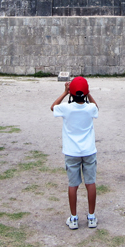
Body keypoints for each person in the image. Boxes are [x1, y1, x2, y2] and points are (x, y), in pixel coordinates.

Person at [51, 76, 99, 230]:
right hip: (89, 151)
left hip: (72, 152)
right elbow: (96, 107)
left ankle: (73, 218)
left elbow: (53, 107)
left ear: (71, 93)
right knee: (90, 183)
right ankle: (91, 217)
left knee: (73, 185)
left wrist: (65, 92)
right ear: (86, 93)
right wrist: (88, 93)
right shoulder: (90, 108)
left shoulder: (66, 108)